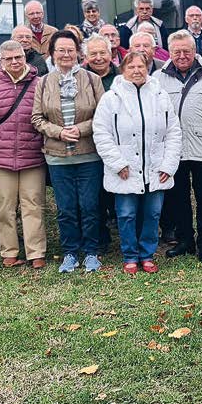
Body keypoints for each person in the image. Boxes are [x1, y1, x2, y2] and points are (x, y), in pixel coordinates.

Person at [93, 51, 182, 274]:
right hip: (125, 168)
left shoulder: (160, 96)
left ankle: (147, 254)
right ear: (123, 70)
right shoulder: (111, 98)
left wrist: (168, 165)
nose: (136, 71)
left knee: (152, 213)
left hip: (156, 167)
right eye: (131, 67)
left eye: (141, 66)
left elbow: (173, 132)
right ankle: (130, 255)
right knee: (126, 214)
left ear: (148, 67)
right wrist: (118, 164)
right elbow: (101, 133)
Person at [31, 30, 106, 274]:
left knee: (89, 206)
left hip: (88, 154)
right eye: (60, 50)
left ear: (78, 53)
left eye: (70, 50)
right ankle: (70, 252)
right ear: (52, 54)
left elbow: (103, 115)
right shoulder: (43, 82)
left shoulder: (92, 80)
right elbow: (37, 118)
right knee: (66, 209)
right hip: (57, 156)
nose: (66, 54)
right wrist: (58, 132)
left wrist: (81, 129)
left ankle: (92, 252)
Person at [0, 40, 47, 268]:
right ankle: (9, 251)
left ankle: (36, 252)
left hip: (32, 157)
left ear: (25, 57)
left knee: (33, 205)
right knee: (3, 207)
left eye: (18, 57)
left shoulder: (39, 84)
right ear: (0, 62)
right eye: (9, 59)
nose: (14, 62)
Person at [157, 30, 202, 262]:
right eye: (177, 52)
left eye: (186, 51)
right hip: (173, 150)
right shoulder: (159, 78)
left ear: (195, 51)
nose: (182, 56)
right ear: (169, 52)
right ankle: (185, 239)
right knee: (178, 198)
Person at [83, 33, 119, 252]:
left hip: (119, 145)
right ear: (86, 56)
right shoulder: (79, 78)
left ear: (111, 53)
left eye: (102, 52)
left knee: (117, 194)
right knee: (93, 195)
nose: (98, 57)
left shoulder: (122, 77)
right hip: (89, 146)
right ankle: (100, 238)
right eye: (93, 53)